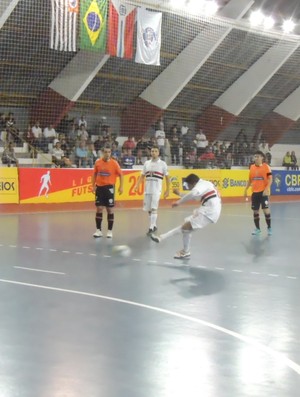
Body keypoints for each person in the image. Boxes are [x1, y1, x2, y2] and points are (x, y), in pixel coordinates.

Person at [150, 173, 221, 259]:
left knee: (185, 227)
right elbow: (194, 197)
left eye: (189, 185)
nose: (189, 188)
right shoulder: (205, 185)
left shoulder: (200, 186)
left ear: (193, 183)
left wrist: (178, 202)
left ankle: (161, 237)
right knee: (186, 227)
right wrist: (179, 193)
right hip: (207, 208)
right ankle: (185, 251)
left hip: (209, 211)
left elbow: (193, 193)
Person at [134, 146, 170, 236]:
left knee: (154, 208)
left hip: (156, 190)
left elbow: (167, 178)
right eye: (152, 151)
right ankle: (154, 225)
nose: (153, 152)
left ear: (158, 153)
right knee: (149, 209)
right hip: (147, 190)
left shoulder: (163, 164)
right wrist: (137, 185)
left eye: (155, 151)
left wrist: (167, 190)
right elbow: (142, 176)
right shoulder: (146, 163)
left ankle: (151, 227)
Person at [92, 144, 124, 238]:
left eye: (109, 152)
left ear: (111, 153)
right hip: (99, 188)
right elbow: (94, 174)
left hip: (109, 188)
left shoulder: (114, 163)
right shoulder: (98, 162)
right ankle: (98, 230)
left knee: (109, 209)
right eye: (105, 152)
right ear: (103, 153)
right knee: (99, 208)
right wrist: (93, 185)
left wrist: (121, 187)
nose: (107, 154)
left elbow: (121, 175)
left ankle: (109, 231)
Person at [244, 150, 273, 236]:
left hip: (263, 193)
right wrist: (245, 189)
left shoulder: (266, 167)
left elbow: (270, 179)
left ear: (262, 158)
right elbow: (250, 180)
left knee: (266, 211)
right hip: (255, 193)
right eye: (255, 156)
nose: (256, 158)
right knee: (255, 212)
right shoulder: (252, 167)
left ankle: (269, 228)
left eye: (258, 156)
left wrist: (266, 188)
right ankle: (257, 229)